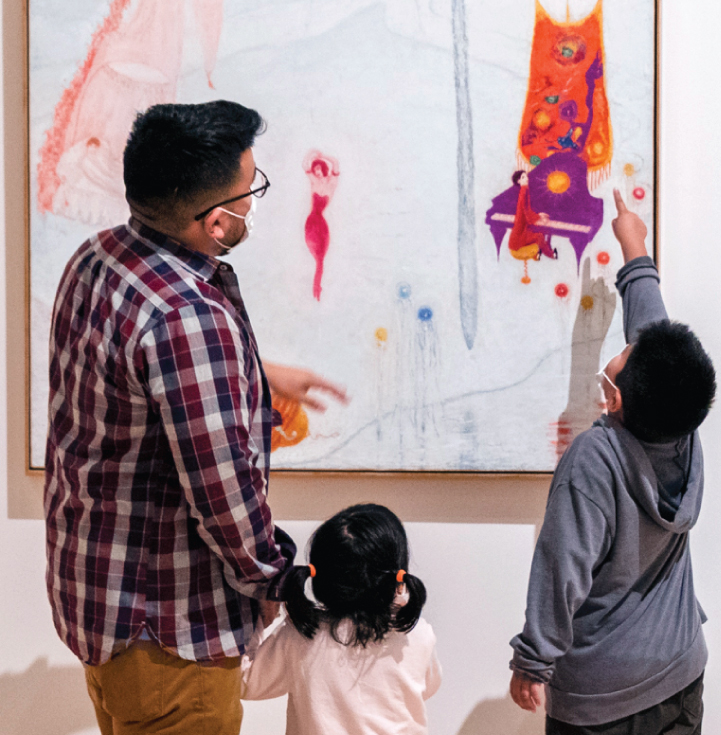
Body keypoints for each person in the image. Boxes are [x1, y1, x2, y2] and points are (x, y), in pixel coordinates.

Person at [44, 100, 347, 735]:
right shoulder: (186, 318)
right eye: (251, 190)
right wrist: (273, 578)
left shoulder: (96, 259)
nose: (254, 204)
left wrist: (255, 375)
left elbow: (129, 384)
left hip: (99, 601)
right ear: (215, 221)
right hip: (168, 628)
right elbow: (222, 490)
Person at [509, 189, 716, 735]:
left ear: (614, 398)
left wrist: (533, 659)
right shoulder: (684, 427)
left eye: (623, 357)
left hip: (605, 700)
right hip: (680, 667)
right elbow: (654, 336)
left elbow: (562, 568)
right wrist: (635, 249)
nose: (628, 346)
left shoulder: (594, 460)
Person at [241, 503, 442, 735]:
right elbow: (428, 686)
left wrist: (255, 617)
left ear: (319, 576)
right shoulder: (416, 634)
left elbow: (247, 683)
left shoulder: (302, 634)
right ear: (397, 576)